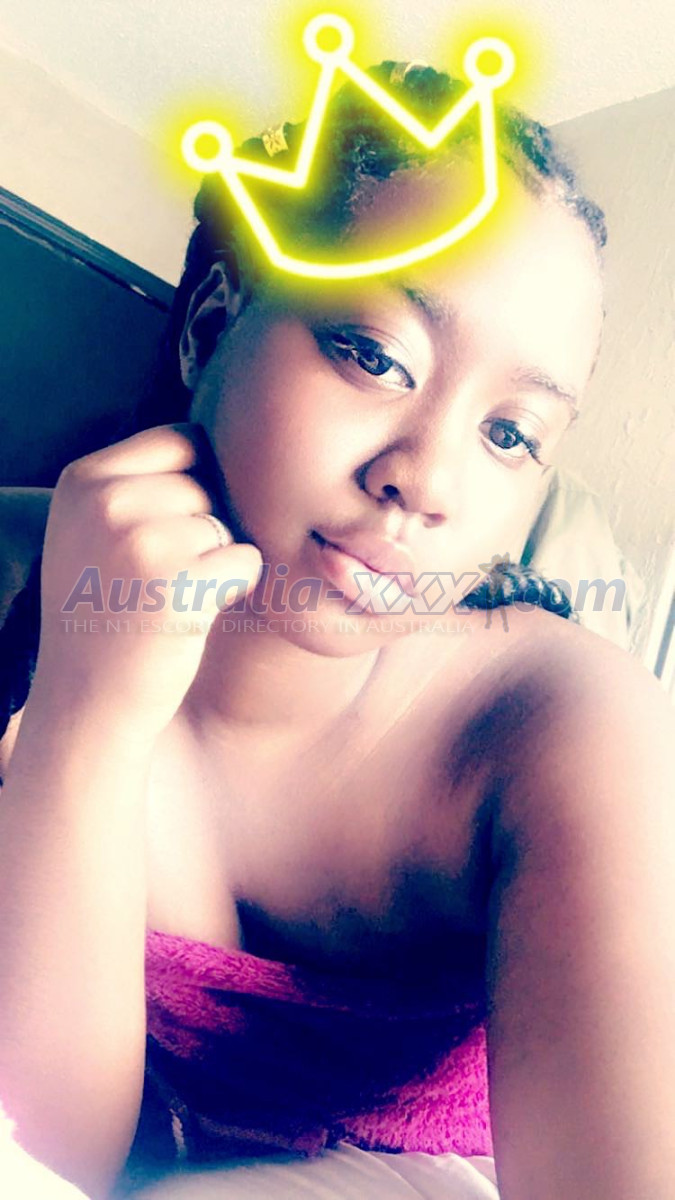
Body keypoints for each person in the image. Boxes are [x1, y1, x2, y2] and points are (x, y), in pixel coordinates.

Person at [0, 54, 673, 1200]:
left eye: (510, 434)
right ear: (212, 325)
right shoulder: (45, 631)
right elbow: (42, 1165)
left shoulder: (565, 726)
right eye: (374, 354)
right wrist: (83, 719)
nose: (427, 480)